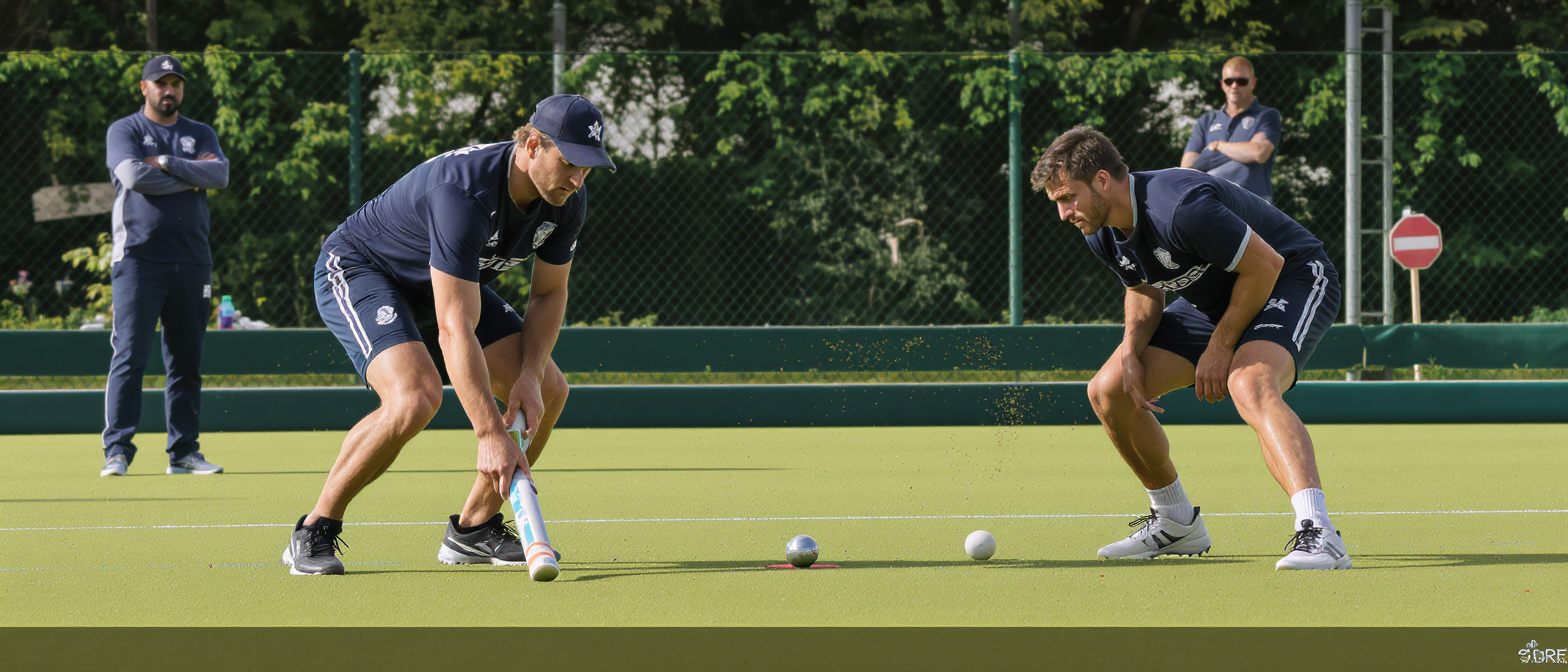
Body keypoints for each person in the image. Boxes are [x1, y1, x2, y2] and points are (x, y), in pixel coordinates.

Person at [282, 94, 615, 576]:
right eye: (568, 163)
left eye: (587, 168)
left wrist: (528, 373)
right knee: (414, 398)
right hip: (366, 269)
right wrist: (489, 432)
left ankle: (474, 530)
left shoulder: (566, 199)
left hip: (450, 285)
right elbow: (453, 326)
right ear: (531, 145)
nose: (578, 179)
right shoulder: (465, 194)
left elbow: (549, 294)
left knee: (548, 389)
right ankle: (314, 528)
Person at [1034, 126, 1349, 571]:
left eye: (1068, 198)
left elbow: (1265, 265)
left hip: (1290, 276)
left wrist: (1220, 347)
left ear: (1102, 180)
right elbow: (1144, 289)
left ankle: (1320, 534)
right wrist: (1129, 352)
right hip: (1218, 298)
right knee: (1109, 391)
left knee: (1248, 383)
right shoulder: (1101, 230)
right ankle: (1176, 520)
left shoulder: (1179, 208)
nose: (1064, 213)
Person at [100, 55, 229, 478]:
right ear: (145, 88)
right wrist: (195, 176)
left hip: (192, 259)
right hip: (138, 259)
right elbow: (133, 177)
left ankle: (184, 453)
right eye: (161, 83)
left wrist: (170, 163)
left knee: (186, 361)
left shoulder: (200, 132)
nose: (168, 90)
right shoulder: (126, 130)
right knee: (130, 356)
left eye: (175, 83)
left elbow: (221, 175)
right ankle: (117, 451)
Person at [1181, 57, 1280, 202]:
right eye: (1229, 81)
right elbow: (1187, 164)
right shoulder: (1207, 120)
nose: (1234, 86)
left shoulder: (1267, 116)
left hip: (1254, 201)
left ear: (1253, 82)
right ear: (1222, 84)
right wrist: (1244, 149)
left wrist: (1217, 146)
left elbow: (1259, 153)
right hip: (1213, 201)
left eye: (1241, 81)